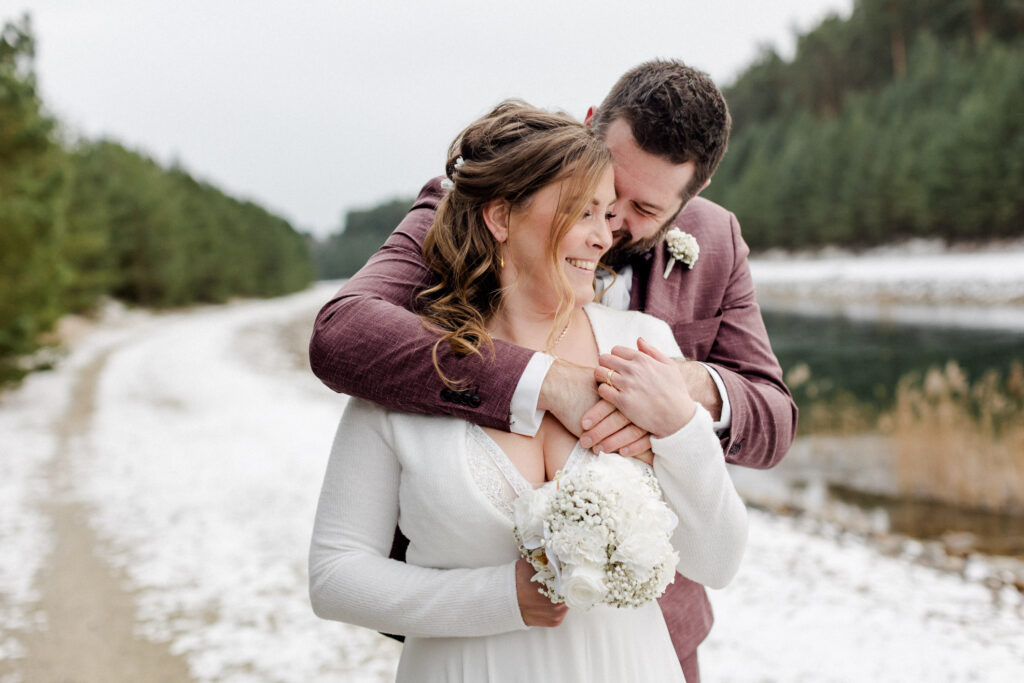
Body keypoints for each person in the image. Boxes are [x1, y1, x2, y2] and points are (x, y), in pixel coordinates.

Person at [310, 59, 796, 681]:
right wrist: (544, 380)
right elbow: (343, 331)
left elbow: (772, 417)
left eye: (641, 208)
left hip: (651, 642)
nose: (609, 227)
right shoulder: (471, 208)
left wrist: (683, 395)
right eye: (592, 200)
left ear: (687, 203)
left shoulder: (689, 279)